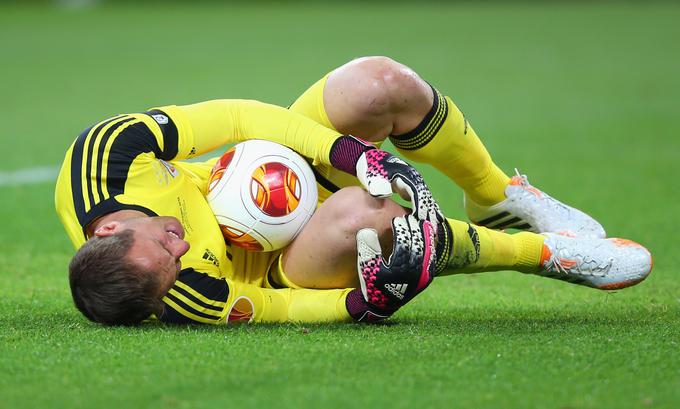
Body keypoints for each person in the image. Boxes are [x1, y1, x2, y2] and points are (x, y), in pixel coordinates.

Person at [55, 56, 652, 326]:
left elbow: (236, 118)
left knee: (377, 84)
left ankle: (496, 197)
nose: (180, 249)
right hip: (287, 262)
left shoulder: (106, 156)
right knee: (370, 216)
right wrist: (355, 306)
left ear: (108, 228)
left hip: (269, 177)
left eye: (165, 244)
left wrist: (343, 150)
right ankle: (544, 254)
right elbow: (274, 306)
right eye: (173, 265)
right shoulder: (180, 292)